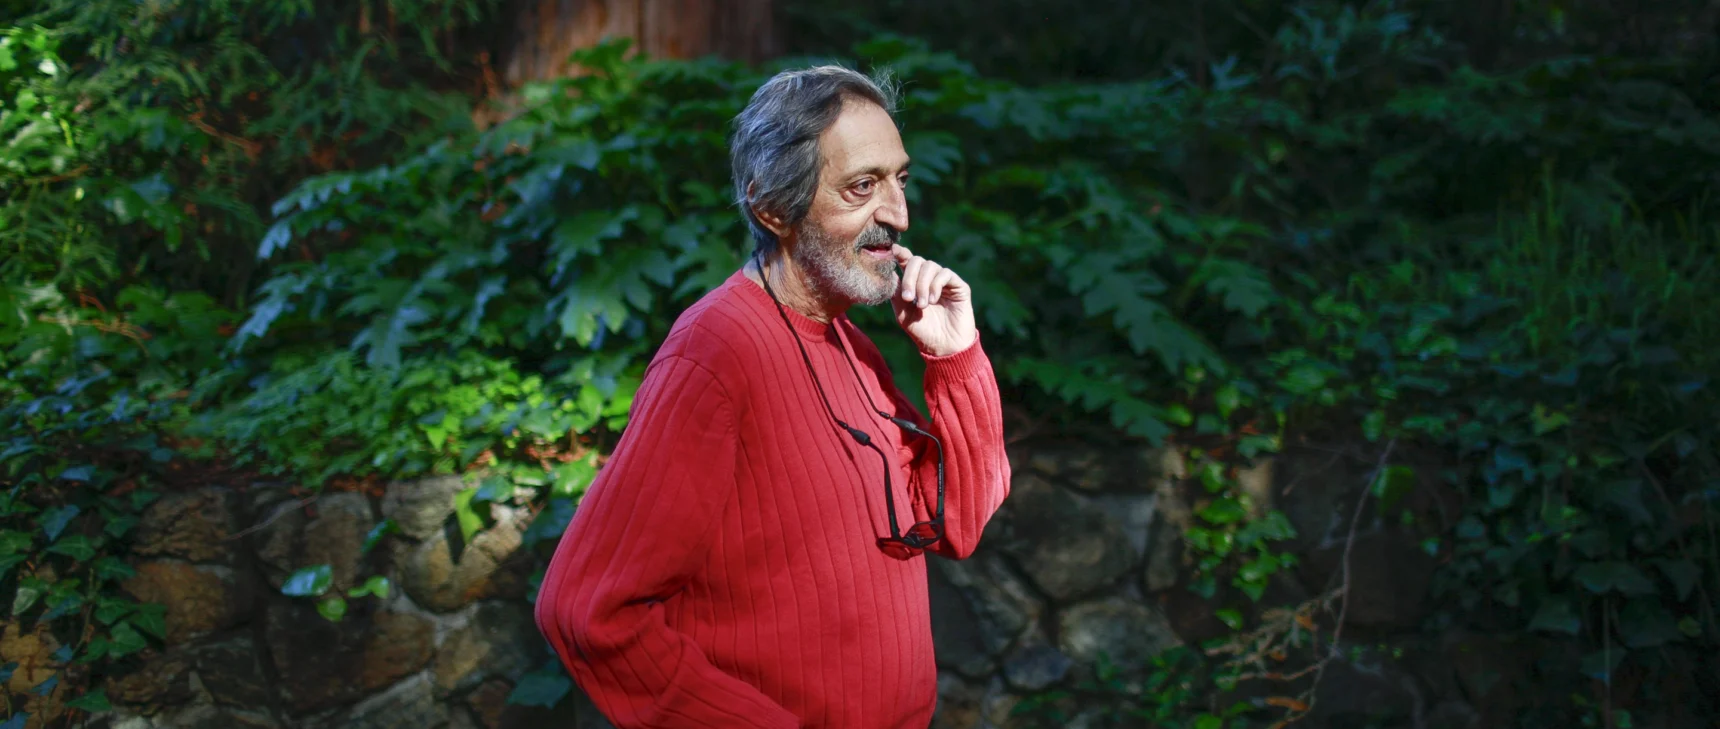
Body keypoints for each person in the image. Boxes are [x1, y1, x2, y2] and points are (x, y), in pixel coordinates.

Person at [533, 64, 1012, 729]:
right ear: (772, 208)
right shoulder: (715, 351)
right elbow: (583, 606)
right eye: (862, 186)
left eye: (901, 179)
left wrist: (954, 358)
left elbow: (956, 520)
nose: (898, 215)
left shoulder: (851, 343)